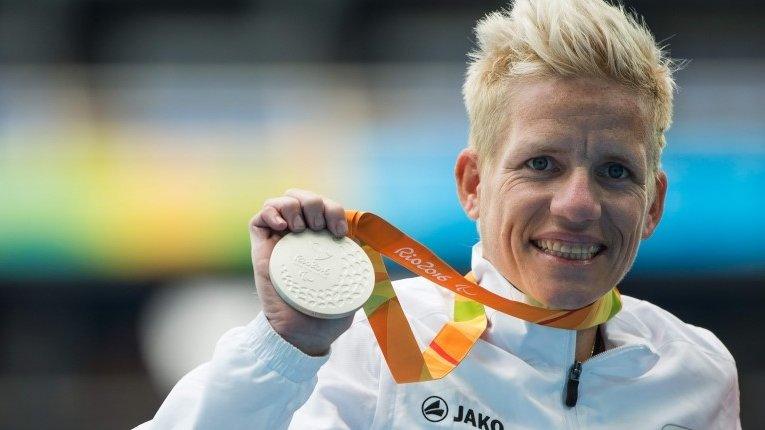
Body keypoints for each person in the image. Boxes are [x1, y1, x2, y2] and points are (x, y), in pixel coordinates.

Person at [137, 0, 740, 428]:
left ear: (653, 204)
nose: (578, 204)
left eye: (615, 171)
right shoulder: (371, 342)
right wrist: (286, 347)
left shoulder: (699, 373)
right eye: (541, 165)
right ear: (474, 184)